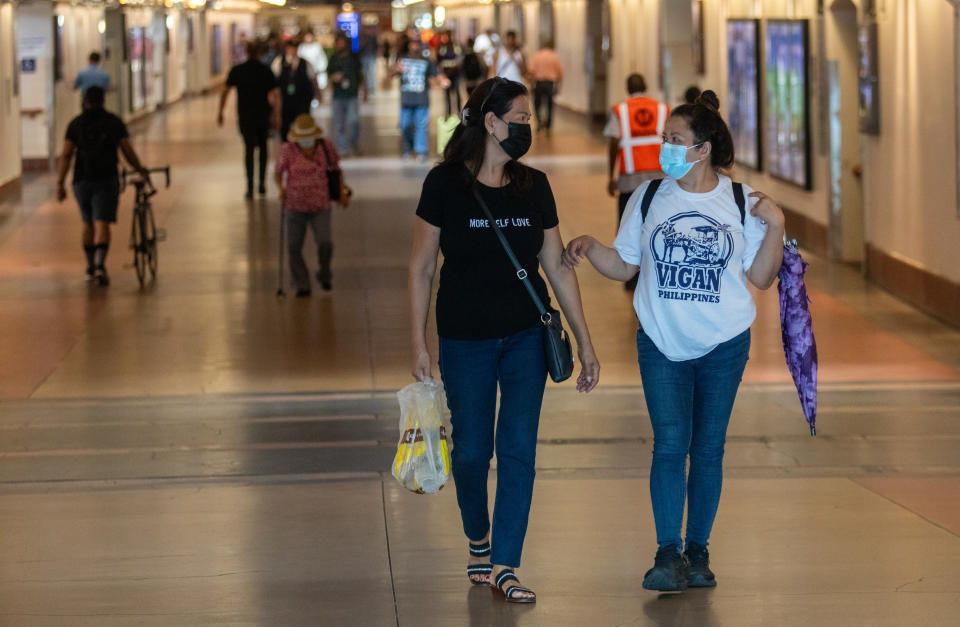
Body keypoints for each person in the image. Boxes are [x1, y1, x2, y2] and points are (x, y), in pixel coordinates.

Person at [562, 90, 785, 593]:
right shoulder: (647, 195)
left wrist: (777, 225)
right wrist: (591, 248)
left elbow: (762, 277)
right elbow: (625, 265)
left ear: (702, 149)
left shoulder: (739, 200)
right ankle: (667, 552)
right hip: (660, 340)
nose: (665, 146)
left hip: (725, 344)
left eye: (675, 139)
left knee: (707, 449)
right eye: (665, 138)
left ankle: (698, 551)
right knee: (669, 444)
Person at [409, 77, 600, 604]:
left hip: (524, 338)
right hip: (464, 339)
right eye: (520, 119)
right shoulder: (443, 184)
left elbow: (558, 269)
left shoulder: (534, 185)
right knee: (471, 453)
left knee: (517, 451)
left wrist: (584, 340)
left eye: (529, 120)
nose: (527, 129)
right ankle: (479, 537)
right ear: (491, 123)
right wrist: (419, 343)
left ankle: (505, 564)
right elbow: (422, 268)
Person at [56, 86, 151, 286]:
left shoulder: (76, 124)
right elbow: (127, 150)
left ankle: (90, 268)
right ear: (103, 100)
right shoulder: (113, 122)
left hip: (81, 180)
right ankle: (100, 265)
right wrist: (140, 168)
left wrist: (60, 183)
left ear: (84, 101)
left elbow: (65, 155)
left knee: (88, 222)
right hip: (106, 178)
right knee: (102, 223)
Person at [274, 114, 341, 296]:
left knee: (325, 243)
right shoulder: (287, 150)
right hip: (294, 206)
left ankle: (324, 273)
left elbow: (336, 169)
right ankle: (301, 283)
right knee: (293, 246)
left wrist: (342, 191)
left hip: (321, 205)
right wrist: (281, 188)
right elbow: (278, 172)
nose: (306, 142)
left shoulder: (326, 147)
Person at [605, 74, 670, 226]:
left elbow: (614, 142)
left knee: (627, 224)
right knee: (658, 224)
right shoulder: (662, 109)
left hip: (630, 179)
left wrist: (610, 176)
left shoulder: (619, 110)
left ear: (627, 88)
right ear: (645, 86)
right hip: (659, 175)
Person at [219, 41, 281, 198]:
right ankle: (261, 183)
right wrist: (276, 115)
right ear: (260, 53)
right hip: (262, 116)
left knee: (248, 150)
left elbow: (225, 91)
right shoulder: (265, 71)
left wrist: (220, 112)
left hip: (246, 116)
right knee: (263, 149)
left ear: (246, 52)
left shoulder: (238, 70)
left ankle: (249, 186)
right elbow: (275, 95)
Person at [390, 38, 447, 161]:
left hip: (422, 99)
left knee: (421, 126)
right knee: (404, 125)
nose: (415, 47)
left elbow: (434, 77)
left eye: (417, 44)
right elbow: (391, 75)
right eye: (412, 44)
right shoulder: (402, 59)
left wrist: (441, 81)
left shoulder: (428, 61)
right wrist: (396, 70)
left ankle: (421, 150)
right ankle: (408, 148)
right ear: (409, 45)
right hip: (406, 99)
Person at [328, 33, 367, 156]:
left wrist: (365, 91)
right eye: (338, 42)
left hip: (351, 94)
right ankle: (342, 148)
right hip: (338, 95)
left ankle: (354, 142)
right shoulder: (333, 58)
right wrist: (333, 78)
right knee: (339, 123)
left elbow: (361, 74)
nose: (340, 45)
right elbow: (328, 74)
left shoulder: (354, 58)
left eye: (342, 42)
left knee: (353, 121)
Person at [279, 40, 321, 142]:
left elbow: (313, 79)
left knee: (303, 123)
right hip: (285, 100)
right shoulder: (279, 62)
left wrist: (318, 94)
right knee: (285, 125)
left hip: (302, 100)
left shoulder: (305, 63)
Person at [526, 41, 563, 132]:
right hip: (549, 83)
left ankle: (539, 121)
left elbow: (531, 72)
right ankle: (548, 124)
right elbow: (560, 74)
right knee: (549, 104)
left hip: (539, 83)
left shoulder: (536, 56)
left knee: (537, 103)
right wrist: (558, 87)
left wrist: (531, 85)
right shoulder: (554, 57)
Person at [436, 31, 462, 117]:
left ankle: (459, 112)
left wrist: (449, 71)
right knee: (447, 95)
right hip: (446, 75)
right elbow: (439, 60)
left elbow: (459, 60)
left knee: (457, 93)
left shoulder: (456, 46)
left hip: (455, 74)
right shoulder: (442, 47)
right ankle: (449, 114)